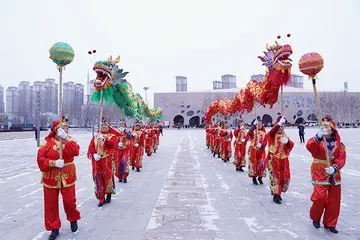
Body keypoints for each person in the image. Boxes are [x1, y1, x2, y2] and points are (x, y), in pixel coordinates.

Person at [37, 116, 81, 240]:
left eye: (67, 128)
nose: (66, 130)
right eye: (63, 128)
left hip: (67, 174)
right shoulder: (46, 143)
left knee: (69, 201)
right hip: (51, 176)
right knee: (50, 204)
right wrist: (53, 163)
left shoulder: (70, 140)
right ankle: (54, 228)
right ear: (55, 129)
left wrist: (65, 138)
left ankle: (73, 218)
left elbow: (76, 151)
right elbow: (40, 160)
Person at [306, 115, 346, 234]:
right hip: (319, 170)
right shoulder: (318, 141)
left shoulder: (339, 144)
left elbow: (342, 158)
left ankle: (330, 223)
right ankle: (315, 217)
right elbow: (309, 147)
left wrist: (335, 167)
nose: (325, 127)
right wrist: (317, 137)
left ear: (333, 129)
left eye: (327, 126)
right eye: (323, 126)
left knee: (334, 200)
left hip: (333, 172)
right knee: (320, 197)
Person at [87, 117, 117, 207]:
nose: (103, 127)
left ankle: (108, 193)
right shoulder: (95, 137)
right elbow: (91, 147)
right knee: (98, 178)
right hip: (97, 162)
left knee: (107, 178)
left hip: (107, 161)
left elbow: (113, 145)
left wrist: (104, 140)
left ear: (108, 127)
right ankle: (101, 198)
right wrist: (93, 154)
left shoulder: (112, 137)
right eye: (102, 125)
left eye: (105, 125)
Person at [266, 116, 294, 204]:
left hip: (284, 159)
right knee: (276, 177)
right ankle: (276, 195)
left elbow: (291, 145)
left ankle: (279, 193)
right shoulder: (273, 135)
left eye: (282, 127)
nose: (280, 129)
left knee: (284, 177)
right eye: (279, 127)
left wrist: (287, 142)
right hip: (274, 159)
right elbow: (270, 133)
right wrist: (279, 124)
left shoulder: (284, 136)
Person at [246, 117, 267, 185]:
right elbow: (249, 133)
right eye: (258, 124)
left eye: (260, 124)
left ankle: (260, 177)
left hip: (261, 151)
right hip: (253, 150)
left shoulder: (264, 132)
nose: (259, 125)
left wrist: (261, 145)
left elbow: (265, 141)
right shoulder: (253, 131)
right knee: (254, 164)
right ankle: (254, 177)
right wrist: (253, 126)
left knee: (261, 164)